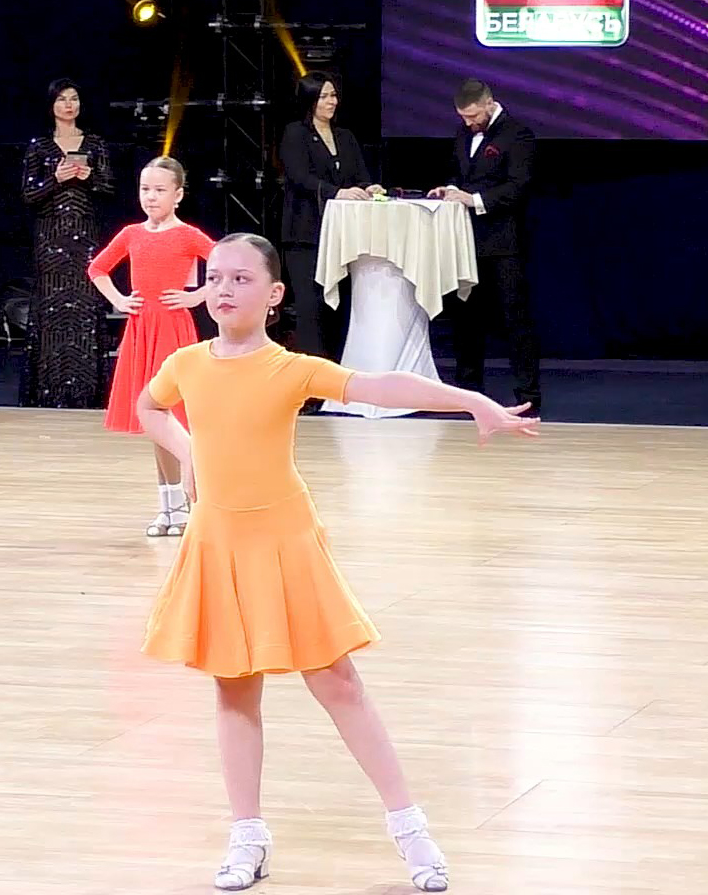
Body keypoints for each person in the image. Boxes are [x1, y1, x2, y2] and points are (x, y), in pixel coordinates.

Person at [136, 232, 537, 891]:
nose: (224, 289)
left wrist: (473, 400)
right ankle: (246, 834)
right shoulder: (186, 364)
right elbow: (149, 406)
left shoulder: (290, 368)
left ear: (274, 295)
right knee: (233, 686)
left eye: (241, 278)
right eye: (215, 277)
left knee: (337, 681)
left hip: (284, 538)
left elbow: (380, 385)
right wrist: (190, 455)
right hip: (217, 540)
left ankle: (410, 827)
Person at [88, 156, 214, 538]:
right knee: (156, 423)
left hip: (173, 332)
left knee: (171, 418)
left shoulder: (188, 235)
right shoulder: (132, 234)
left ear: (178, 195)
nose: (151, 196)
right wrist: (119, 300)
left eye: (160, 190)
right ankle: (170, 509)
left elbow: (226, 265)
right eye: (145, 189)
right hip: (142, 330)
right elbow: (97, 268)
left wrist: (197, 296)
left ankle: (187, 505)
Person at [429, 78, 541, 416]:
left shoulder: (518, 134)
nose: (469, 123)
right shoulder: (463, 134)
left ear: (490, 104)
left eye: (474, 116)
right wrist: (448, 189)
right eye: (464, 117)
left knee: (514, 319)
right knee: (466, 318)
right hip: (466, 240)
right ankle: (468, 390)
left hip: (504, 242)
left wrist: (474, 199)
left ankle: (528, 395)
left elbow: (518, 187)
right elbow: (457, 172)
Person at [20, 77, 115, 408]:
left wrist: (90, 178)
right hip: (50, 239)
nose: (69, 105)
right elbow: (28, 194)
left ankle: (87, 392)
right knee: (53, 312)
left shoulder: (95, 144)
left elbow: (109, 188)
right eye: (62, 99)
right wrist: (55, 179)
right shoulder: (39, 147)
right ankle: (49, 390)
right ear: (52, 105)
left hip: (85, 236)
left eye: (74, 99)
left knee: (85, 310)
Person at [277, 71, 382, 366]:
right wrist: (337, 192)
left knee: (338, 308)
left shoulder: (345, 136)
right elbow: (299, 177)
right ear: (309, 100)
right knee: (311, 309)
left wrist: (367, 188)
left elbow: (359, 176)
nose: (331, 101)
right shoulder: (295, 134)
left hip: (343, 237)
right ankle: (311, 376)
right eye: (324, 96)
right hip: (306, 235)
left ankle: (337, 373)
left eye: (333, 95)